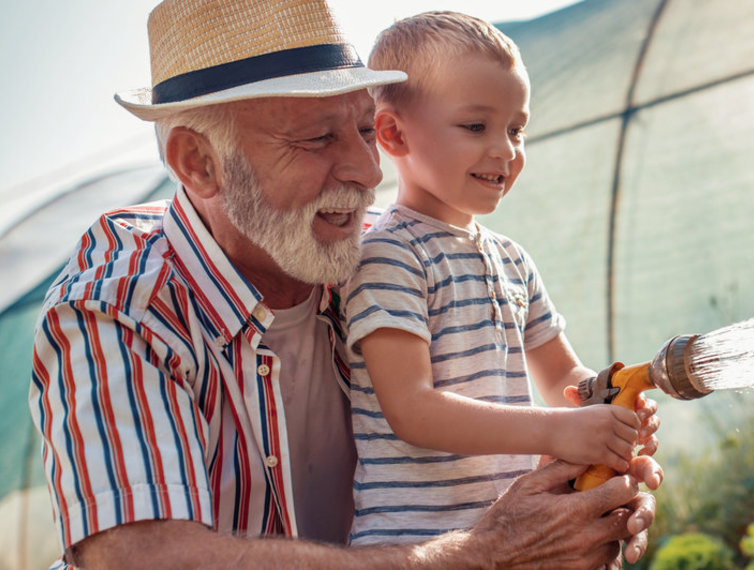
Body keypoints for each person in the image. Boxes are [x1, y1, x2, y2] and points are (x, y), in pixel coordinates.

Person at [27, 0, 661, 568]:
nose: (367, 170)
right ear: (199, 162)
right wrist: (481, 553)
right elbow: (143, 560)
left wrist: (594, 485)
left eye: (363, 128)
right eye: (317, 138)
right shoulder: (120, 306)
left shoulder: (362, 254)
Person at [337, 11, 647, 547]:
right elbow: (412, 409)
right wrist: (556, 430)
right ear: (393, 133)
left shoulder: (513, 259)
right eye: (476, 126)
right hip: (415, 545)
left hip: (514, 535)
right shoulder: (390, 256)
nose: (505, 149)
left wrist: (610, 406)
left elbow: (564, 379)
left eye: (516, 128)